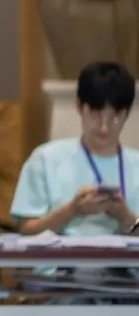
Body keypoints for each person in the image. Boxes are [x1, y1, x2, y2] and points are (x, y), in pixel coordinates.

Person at [12, 62, 139, 236]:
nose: (104, 127)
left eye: (115, 117)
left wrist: (126, 217)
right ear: (79, 106)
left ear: (127, 113)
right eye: (95, 114)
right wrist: (72, 210)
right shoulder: (45, 159)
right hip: (62, 254)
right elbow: (26, 230)